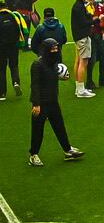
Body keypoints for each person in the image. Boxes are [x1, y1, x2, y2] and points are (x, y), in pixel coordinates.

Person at [28, 37, 84, 167]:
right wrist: (36, 104)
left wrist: (63, 77)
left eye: (56, 48)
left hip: (53, 102)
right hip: (41, 104)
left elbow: (55, 78)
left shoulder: (54, 64)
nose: (55, 51)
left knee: (59, 126)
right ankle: (33, 155)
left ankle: (67, 150)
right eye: (52, 49)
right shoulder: (37, 65)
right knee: (37, 130)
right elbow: (34, 85)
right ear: (46, 50)